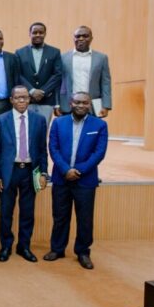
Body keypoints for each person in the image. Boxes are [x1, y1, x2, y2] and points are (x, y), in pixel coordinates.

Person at [44, 92, 108, 270]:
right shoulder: (58, 122)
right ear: (71, 103)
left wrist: (79, 170)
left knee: (85, 219)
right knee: (60, 216)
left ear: (89, 104)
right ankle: (57, 249)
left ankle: (83, 252)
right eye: (77, 102)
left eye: (85, 103)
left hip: (85, 180)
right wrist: (66, 169)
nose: (81, 105)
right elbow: (53, 148)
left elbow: (99, 153)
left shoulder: (100, 125)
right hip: (61, 178)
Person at [0, 86, 48, 263]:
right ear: (11, 100)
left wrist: (44, 172)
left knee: (27, 212)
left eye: (25, 97)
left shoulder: (39, 120)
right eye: (17, 98)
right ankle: (6, 246)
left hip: (30, 171)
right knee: (6, 212)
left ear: (29, 99)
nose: (21, 101)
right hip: (9, 171)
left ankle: (24, 246)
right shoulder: (0, 121)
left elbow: (42, 149)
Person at [56, 26, 112, 118]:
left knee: (92, 127)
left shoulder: (101, 58)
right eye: (78, 36)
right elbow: (57, 83)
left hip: (93, 106)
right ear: (73, 38)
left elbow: (106, 83)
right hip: (67, 105)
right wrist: (57, 105)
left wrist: (106, 105)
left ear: (91, 38)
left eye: (85, 36)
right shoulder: (63, 58)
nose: (81, 39)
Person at [15, 22, 62, 126]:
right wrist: (31, 91)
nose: (38, 35)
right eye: (35, 32)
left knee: (42, 130)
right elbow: (18, 74)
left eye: (41, 32)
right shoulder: (19, 52)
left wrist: (43, 92)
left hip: (47, 100)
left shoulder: (54, 52)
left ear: (45, 34)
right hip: (26, 100)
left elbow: (57, 75)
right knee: (25, 129)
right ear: (29, 34)